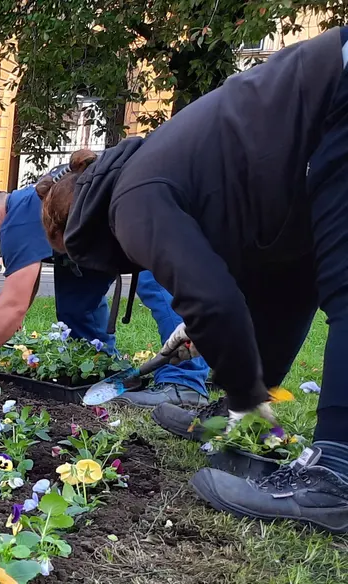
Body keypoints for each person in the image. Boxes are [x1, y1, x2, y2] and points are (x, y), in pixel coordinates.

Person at [36, 27, 348, 533]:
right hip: (323, 107)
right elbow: (277, 283)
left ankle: (335, 472)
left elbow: (214, 302)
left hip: (335, 93)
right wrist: (239, 382)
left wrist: (239, 376)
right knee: (293, 276)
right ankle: (236, 416)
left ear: (80, 236)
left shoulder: (130, 201)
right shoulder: (153, 172)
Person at [0, 178, 209, 408]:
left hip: (149, 214)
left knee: (160, 287)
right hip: (103, 234)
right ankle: (107, 372)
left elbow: (14, 307)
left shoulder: (16, 221)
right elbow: (20, 290)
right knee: (76, 306)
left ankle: (184, 384)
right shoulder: (23, 211)